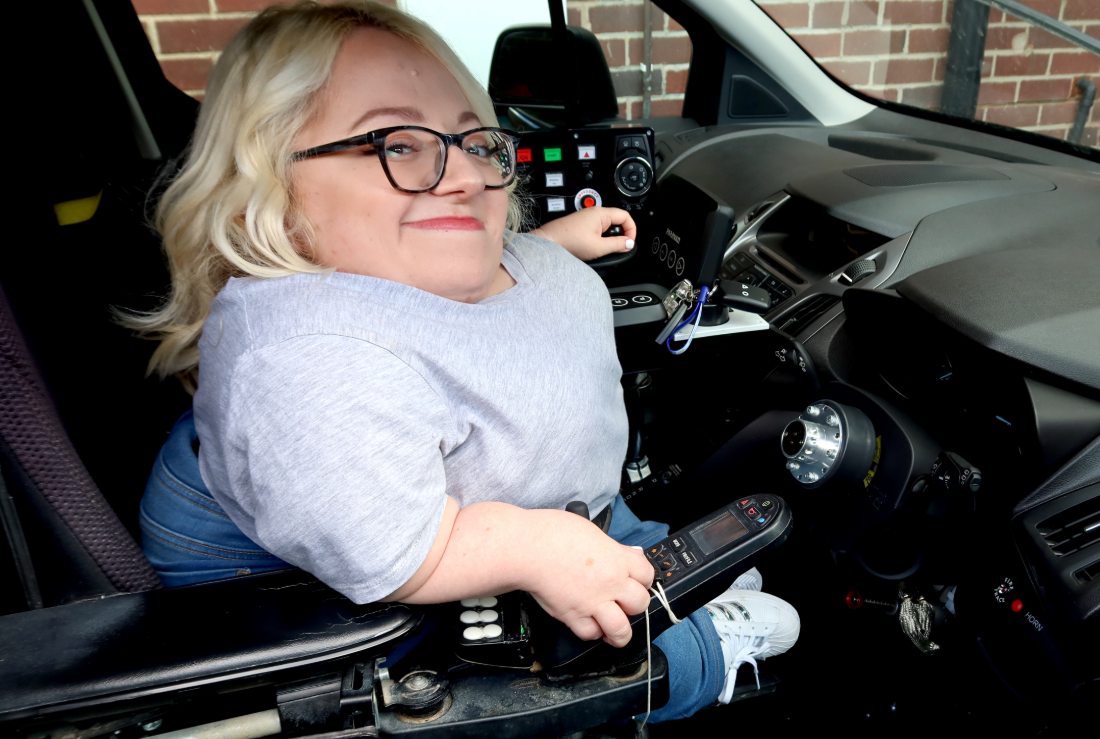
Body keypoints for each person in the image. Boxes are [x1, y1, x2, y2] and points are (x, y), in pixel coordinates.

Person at [131, 1, 798, 723]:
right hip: (407, 583)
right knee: (640, 647)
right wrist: (537, 546)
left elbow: (443, 295)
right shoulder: (308, 363)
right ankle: (709, 653)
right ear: (266, 190)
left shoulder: (385, 263)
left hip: (557, 502)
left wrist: (549, 245)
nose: (462, 176)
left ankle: (637, 559)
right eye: (397, 143)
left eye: (476, 142)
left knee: (619, 538)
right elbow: (398, 547)